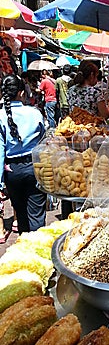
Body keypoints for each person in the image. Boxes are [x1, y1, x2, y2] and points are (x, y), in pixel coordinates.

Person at [0, 74, 47, 234]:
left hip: (12, 171)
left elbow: (0, 151)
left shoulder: (1, 116)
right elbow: (44, 140)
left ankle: (24, 250)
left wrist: (0, 183)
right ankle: (39, 251)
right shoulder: (34, 113)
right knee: (37, 216)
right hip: (35, 167)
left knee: (20, 215)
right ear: (21, 92)